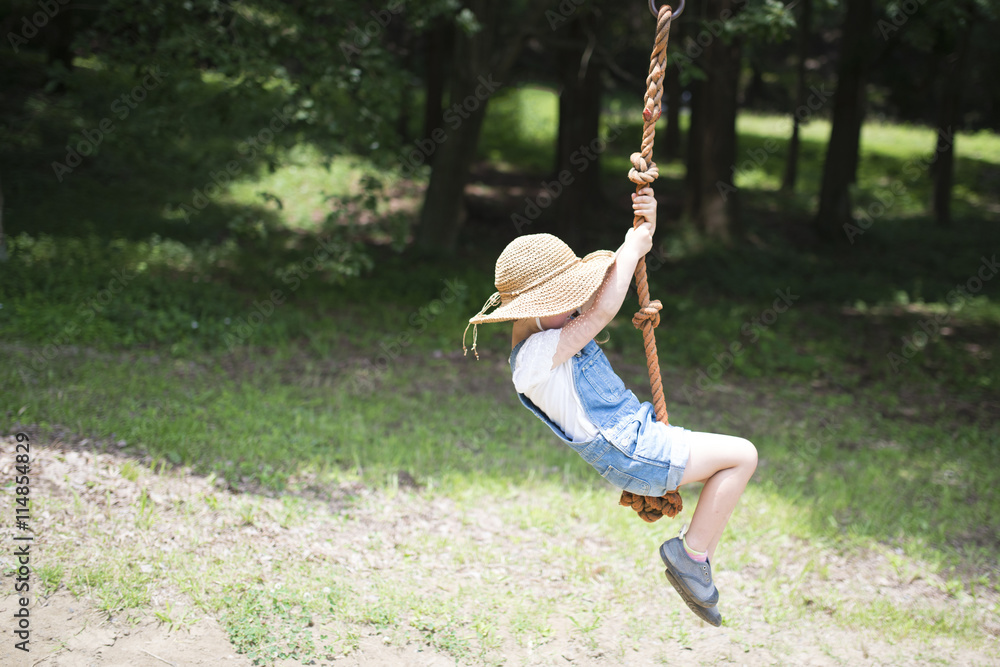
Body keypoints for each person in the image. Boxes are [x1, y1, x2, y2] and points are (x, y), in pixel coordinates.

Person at [463, 187, 757, 626]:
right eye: (567, 301)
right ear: (532, 309)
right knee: (742, 456)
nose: (578, 307)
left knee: (735, 458)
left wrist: (644, 231)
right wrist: (633, 246)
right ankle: (692, 555)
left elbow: (602, 295)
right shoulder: (532, 360)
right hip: (628, 448)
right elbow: (601, 312)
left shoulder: (553, 335)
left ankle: (694, 557)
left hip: (635, 439)